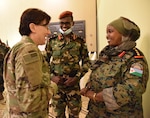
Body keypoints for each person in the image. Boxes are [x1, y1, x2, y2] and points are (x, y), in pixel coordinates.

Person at [80, 17, 149, 118]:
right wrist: (89, 86)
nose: (107, 36)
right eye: (107, 32)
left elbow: (133, 88)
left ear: (124, 35)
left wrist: (95, 96)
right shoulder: (108, 52)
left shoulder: (135, 59)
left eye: (110, 32)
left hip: (121, 114)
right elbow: (97, 71)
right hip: (96, 111)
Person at [3, 8, 57, 118]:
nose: (49, 32)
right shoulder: (29, 51)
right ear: (33, 27)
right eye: (46, 26)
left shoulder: (17, 48)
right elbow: (31, 102)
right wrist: (53, 86)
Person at [45, 11, 90, 118]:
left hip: (73, 86)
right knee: (58, 115)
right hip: (57, 87)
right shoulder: (52, 42)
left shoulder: (80, 42)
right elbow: (44, 62)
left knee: (74, 115)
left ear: (72, 23)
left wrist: (77, 77)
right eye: (62, 23)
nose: (64, 26)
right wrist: (52, 77)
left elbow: (87, 62)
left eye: (67, 23)